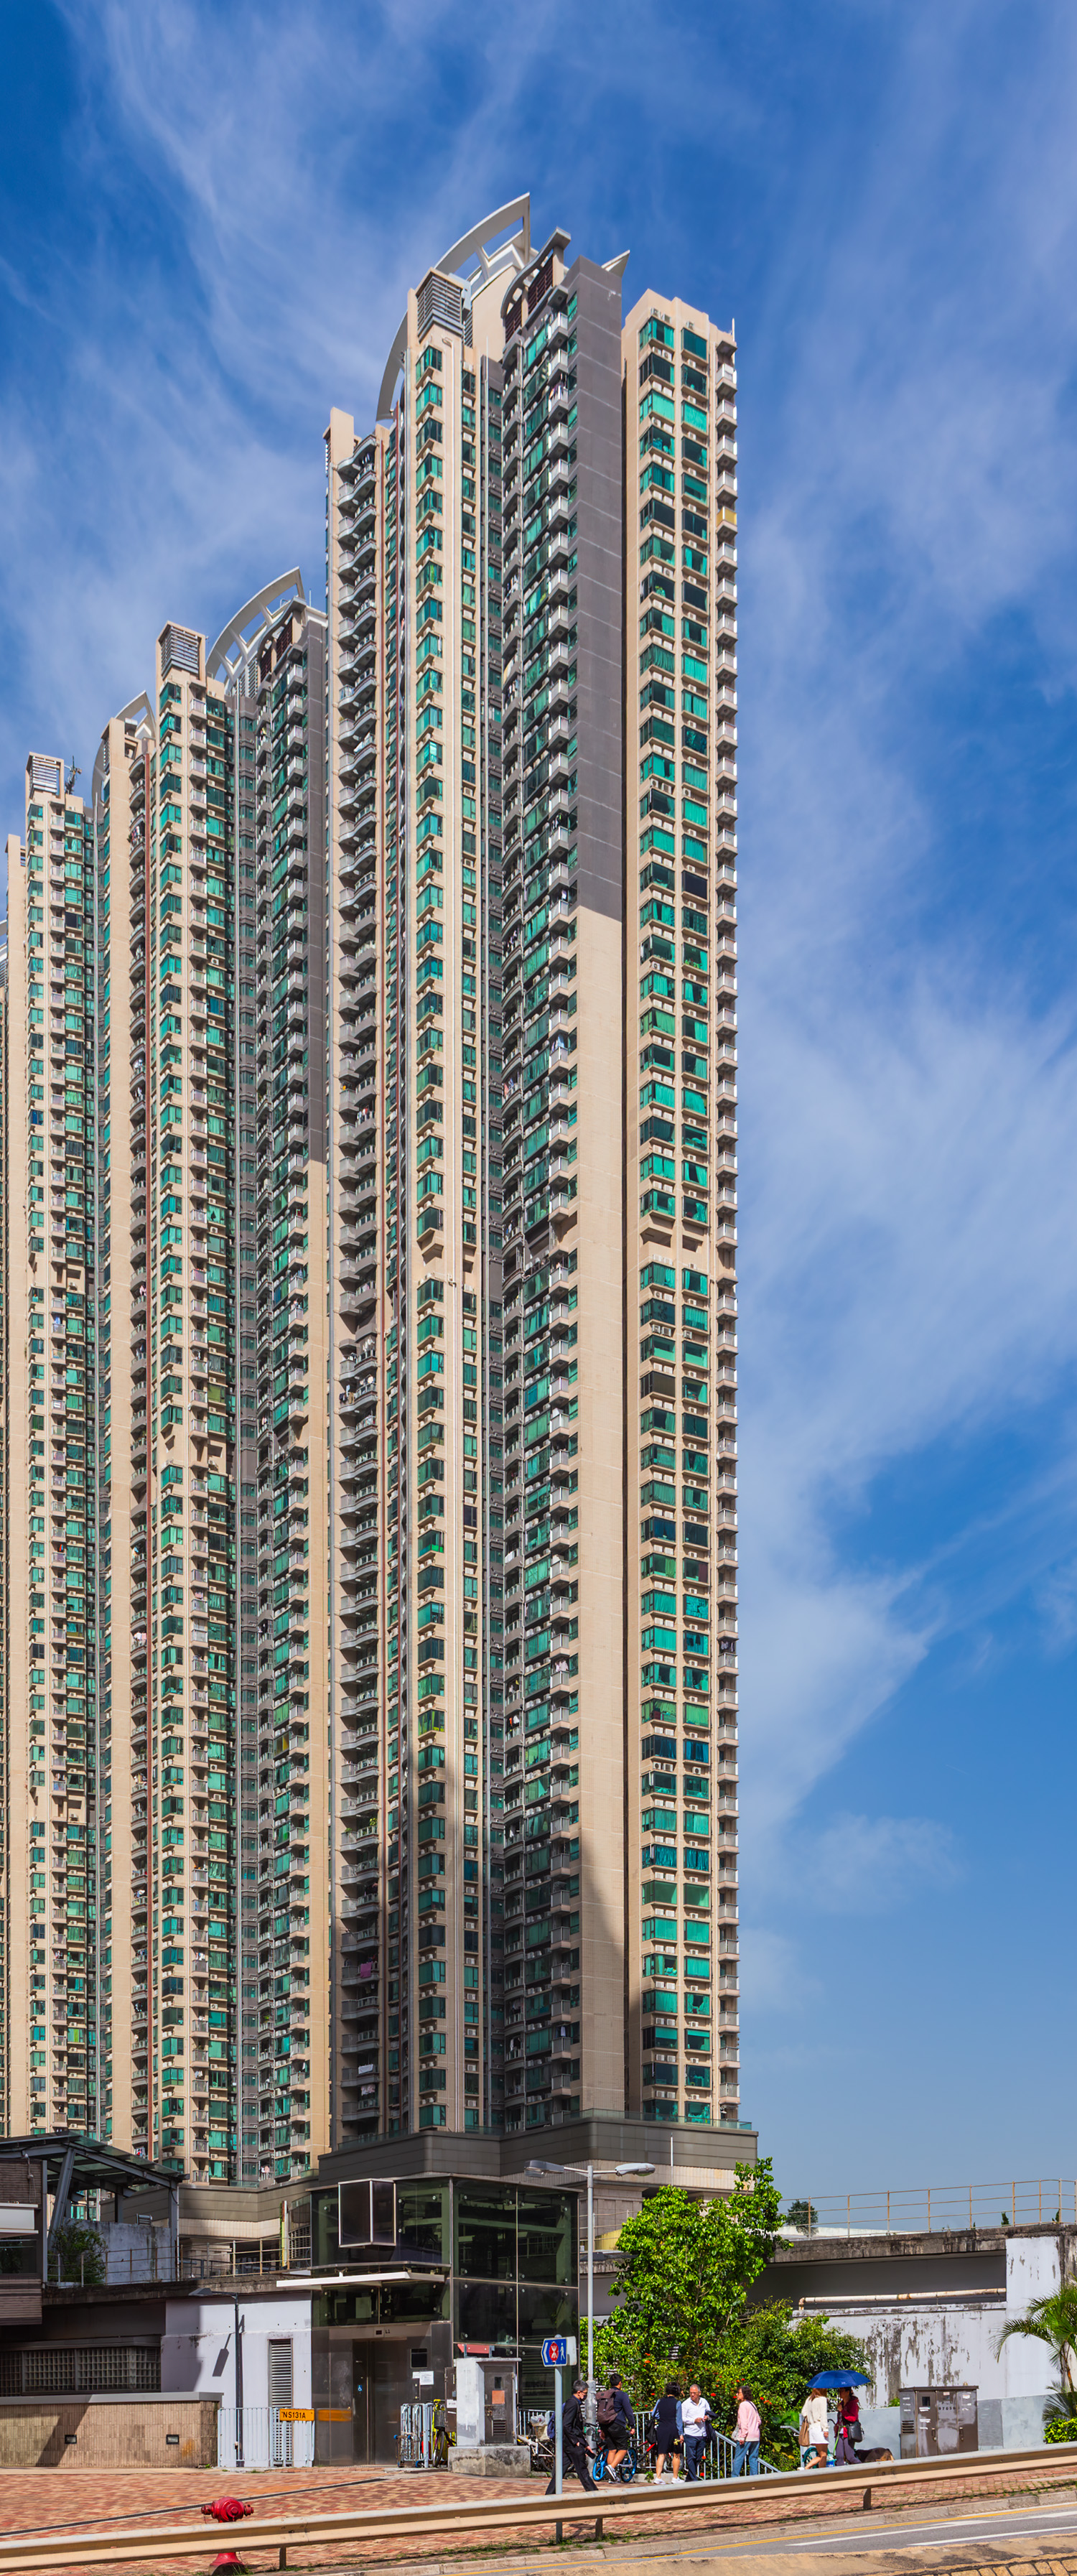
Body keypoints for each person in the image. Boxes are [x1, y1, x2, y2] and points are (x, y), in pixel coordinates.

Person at [545, 2379, 597, 2494]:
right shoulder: (573, 2404)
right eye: (585, 2393)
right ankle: (594, 2494)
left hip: (569, 2443)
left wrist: (585, 2445)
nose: (586, 2396)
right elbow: (567, 2425)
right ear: (579, 2392)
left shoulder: (573, 2403)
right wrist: (577, 2442)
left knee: (561, 2471)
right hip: (572, 2444)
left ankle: (549, 2494)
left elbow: (575, 2428)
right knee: (583, 2471)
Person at [596, 2373, 635, 2478]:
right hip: (617, 2424)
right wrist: (632, 2426)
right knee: (623, 2448)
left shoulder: (605, 2395)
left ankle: (611, 2476)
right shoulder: (622, 2395)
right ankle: (611, 2468)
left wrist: (602, 2429)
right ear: (620, 2383)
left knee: (612, 2449)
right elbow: (629, 2411)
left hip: (606, 2425)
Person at [651, 2380, 683, 2480]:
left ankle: (658, 2478)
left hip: (662, 2429)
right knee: (676, 2453)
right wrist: (681, 2434)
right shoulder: (677, 2403)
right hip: (673, 2430)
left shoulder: (660, 2401)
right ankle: (675, 2477)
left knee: (661, 2454)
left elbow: (654, 2414)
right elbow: (679, 2420)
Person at [681, 2384, 712, 2482]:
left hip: (702, 2434)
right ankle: (694, 2479)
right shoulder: (686, 2404)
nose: (692, 2395)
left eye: (694, 2393)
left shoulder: (704, 2402)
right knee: (691, 2457)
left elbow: (710, 2414)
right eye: (691, 2393)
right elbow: (682, 2419)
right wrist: (694, 2420)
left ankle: (689, 2477)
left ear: (699, 2393)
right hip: (691, 2434)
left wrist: (707, 2418)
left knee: (698, 2457)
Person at [732, 2381, 761, 2478]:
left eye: (739, 2393)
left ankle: (734, 2479)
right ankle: (754, 2479)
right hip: (755, 2436)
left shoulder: (743, 2405)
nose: (737, 2395)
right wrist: (754, 2428)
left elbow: (744, 2423)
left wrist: (742, 2436)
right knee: (753, 2458)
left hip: (746, 2437)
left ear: (744, 2394)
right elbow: (759, 2421)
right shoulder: (752, 2404)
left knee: (738, 2458)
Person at [798, 2386, 829, 2469]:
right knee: (824, 2455)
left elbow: (803, 2412)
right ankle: (821, 2472)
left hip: (812, 2429)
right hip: (820, 2428)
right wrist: (825, 2429)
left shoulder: (809, 2399)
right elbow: (823, 2416)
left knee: (820, 2454)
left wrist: (810, 2418)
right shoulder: (822, 2399)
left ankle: (807, 2468)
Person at [834, 2389, 863, 2468]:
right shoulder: (841, 2404)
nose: (840, 2393)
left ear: (848, 2392)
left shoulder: (853, 2404)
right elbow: (840, 2419)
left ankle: (863, 2469)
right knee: (839, 2457)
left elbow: (853, 2418)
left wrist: (842, 2410)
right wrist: (837, 2425)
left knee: (850, 2457)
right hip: (840, 2432)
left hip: (848, 2433)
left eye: (842, 2391)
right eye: (839, 2391)